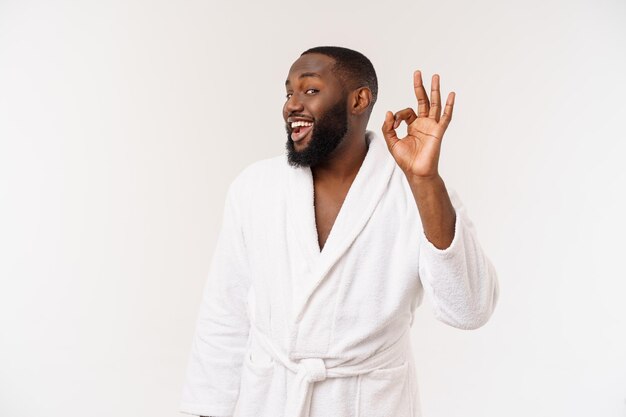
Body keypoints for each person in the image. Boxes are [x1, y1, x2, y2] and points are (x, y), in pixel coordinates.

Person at [179, 46, 499, 417]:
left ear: (359, 100)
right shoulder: (254, 188)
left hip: (369, 403)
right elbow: (224, 313)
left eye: (310, 90)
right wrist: (206, 411)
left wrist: (425, 180)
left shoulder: (414, 192)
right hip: (270, 400)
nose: (291, 105)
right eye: (288, 93)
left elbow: (470, 309)